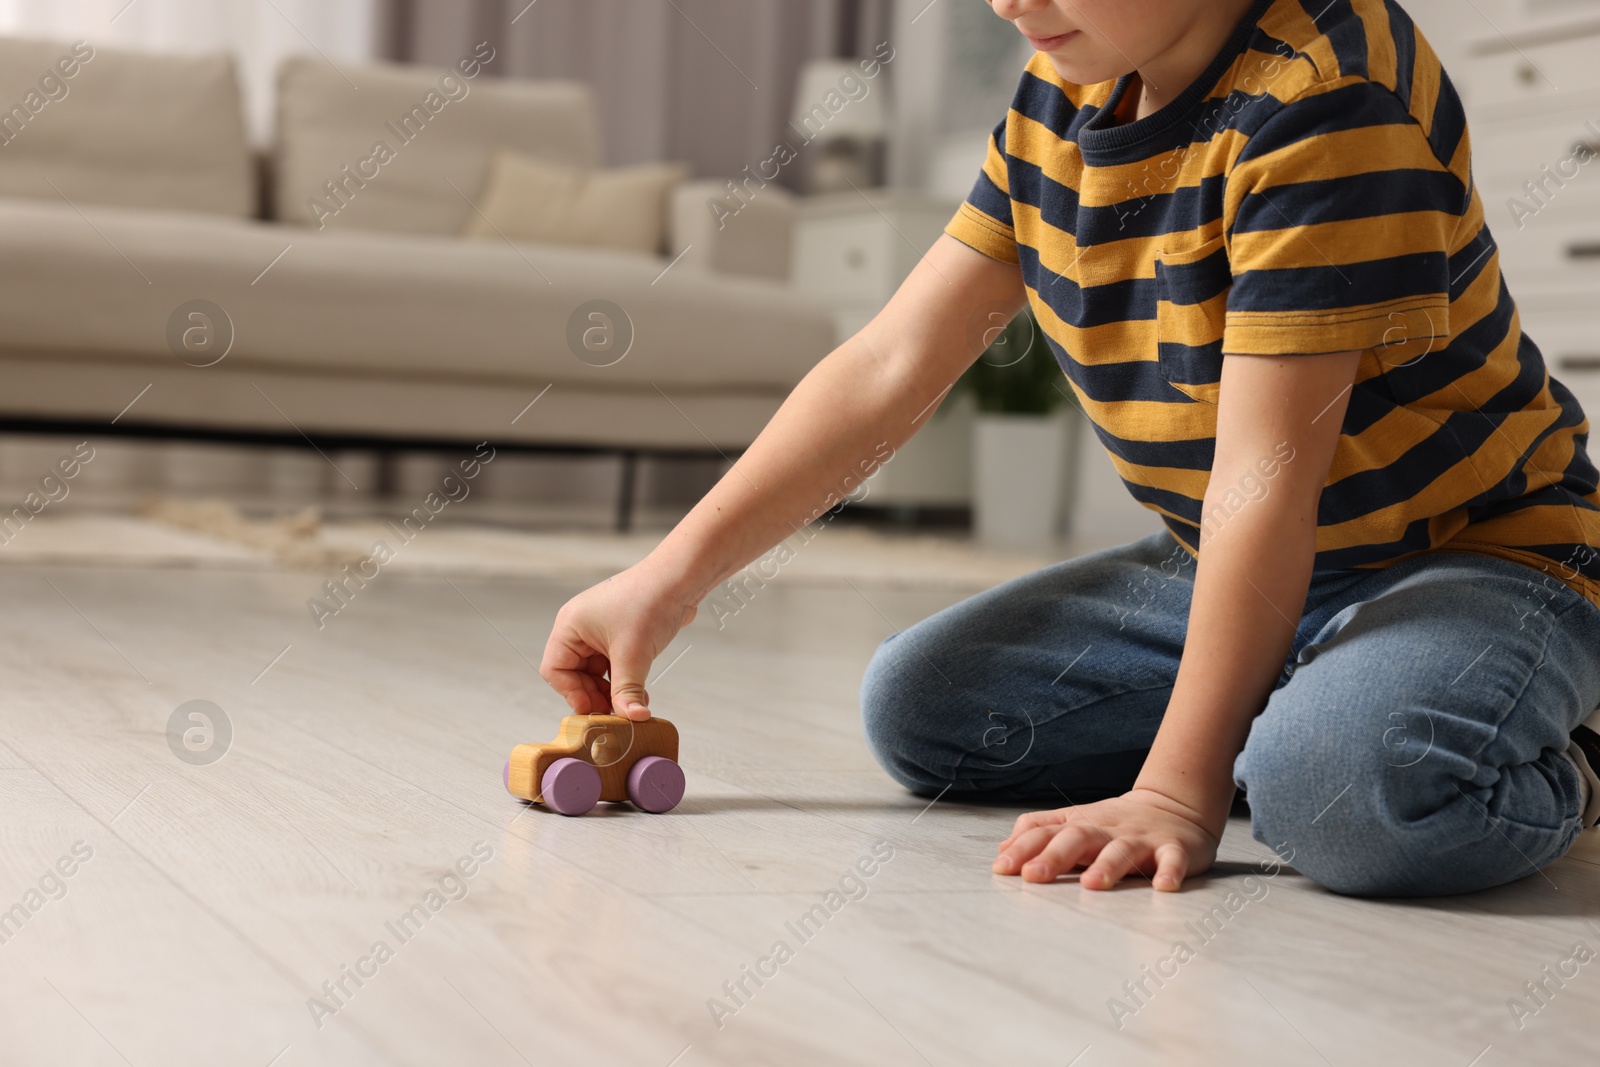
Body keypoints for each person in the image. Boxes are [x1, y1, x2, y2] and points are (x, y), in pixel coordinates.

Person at [539, 0, 1600, 898]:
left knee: (1347, 795)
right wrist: (667, 579)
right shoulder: (1067, 88)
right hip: (1232, 557)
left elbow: (1263, 478)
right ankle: (1288, 710)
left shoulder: (1327, 100)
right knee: (926, 710)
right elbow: (892, 362)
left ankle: (1565, 758)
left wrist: (1177, 789)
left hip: (1481, 555)